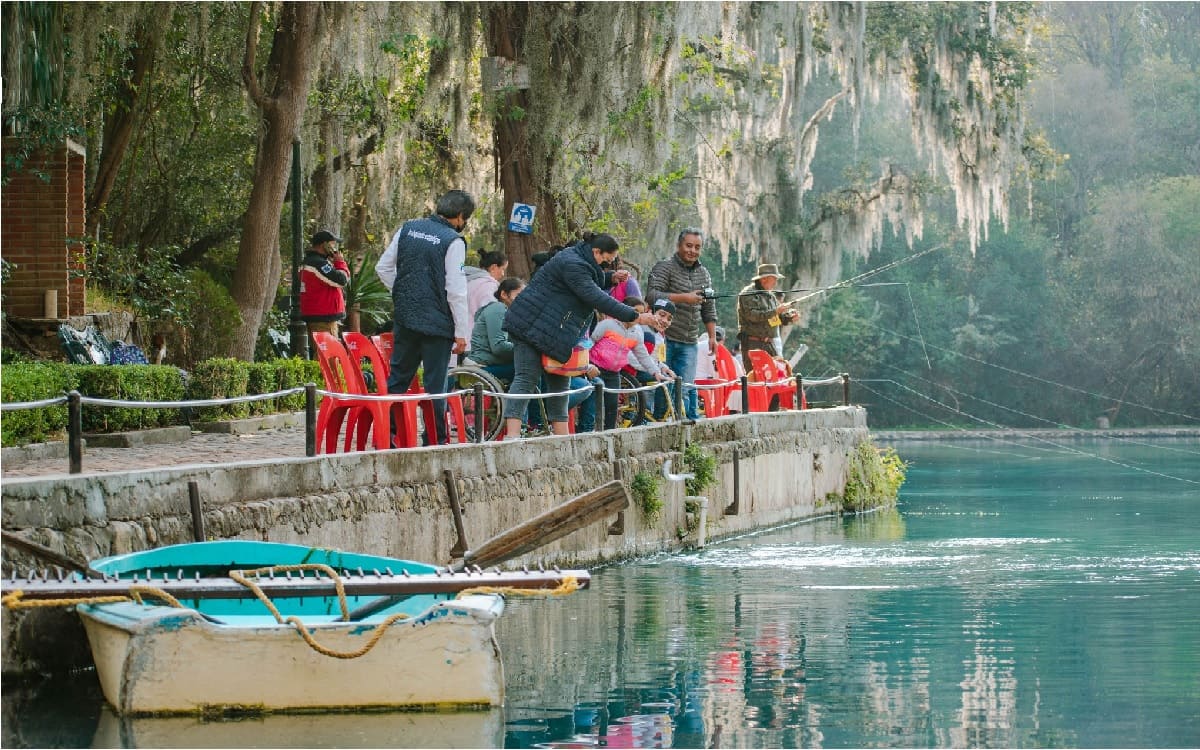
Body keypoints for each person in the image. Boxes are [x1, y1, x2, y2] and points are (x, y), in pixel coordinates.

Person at [501, 233, 661, 438]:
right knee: (526, 378)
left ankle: (561, 439)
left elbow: (590, 280)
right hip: (528, 327)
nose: (607, 264)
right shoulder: (572, 263)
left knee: (561, 380)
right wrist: (636, 317)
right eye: (606, 260)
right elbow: (595, 296)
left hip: (554, 332)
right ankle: (512, 436)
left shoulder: (581, 260)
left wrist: (610, 278)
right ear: (596, 252)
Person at [375, 189, 474, 445]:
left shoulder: (409, 229)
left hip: (406, 318)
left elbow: (383, 267)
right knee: (435, 385)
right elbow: (456, 290)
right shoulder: (453, 241)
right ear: (461, 217)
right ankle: (435, 439)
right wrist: (462, 332)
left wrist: (403, 293)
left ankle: (389, 435)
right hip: (438, 324)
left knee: (398, 379)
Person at [646, 228, 718, 420]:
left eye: (697, 247)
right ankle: (660, 423)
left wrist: (712, 336)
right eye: (688, 246)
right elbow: (652, 295)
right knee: (664, 386)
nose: (692, 251)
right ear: (679, 245)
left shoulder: (704, 274)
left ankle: (683, 427)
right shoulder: (664, 267)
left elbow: (709, 308)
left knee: (685, 386)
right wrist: (684, 298)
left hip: (690, 341)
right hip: (664, 338)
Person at [589, 296, 675, 430]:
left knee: (612, 407)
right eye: (635, 312)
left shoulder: (637, 332)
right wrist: (586, 364)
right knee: (592, 405)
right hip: (596, 368)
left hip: (614, 374)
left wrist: (656, 372)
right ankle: (586, 431)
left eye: (641, 313)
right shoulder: (608, 324)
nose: (637, 316)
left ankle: (610, 434)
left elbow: (643, 356)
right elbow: (591, 341)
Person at [735, 262, 799, 372]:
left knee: (776, 376)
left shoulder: (770, 296)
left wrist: (788, 318)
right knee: (756, 379)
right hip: (753, 344)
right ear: (764, 279)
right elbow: (753, 317)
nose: (776, 282)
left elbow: (772, 321)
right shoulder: (748, 294)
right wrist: (776, 311)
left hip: (769, 344)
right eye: (774, 278)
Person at [299, 229, 350, 353]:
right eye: (332, 244)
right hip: (323, 319)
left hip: (316, 315)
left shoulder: (310, 261)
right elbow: (342, 280)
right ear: (324, 245)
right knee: (330, 356)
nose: (335, 248)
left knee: (321, 354)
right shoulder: (319, 264)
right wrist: (340, 262)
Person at [466, 276, 524, 382]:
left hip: (492, 364)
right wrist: (524, 348)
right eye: (519, 295)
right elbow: (499, 347)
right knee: (531, 369)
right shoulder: (498, 308)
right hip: (482, 367)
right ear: (504, 294)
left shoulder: (510, 314)